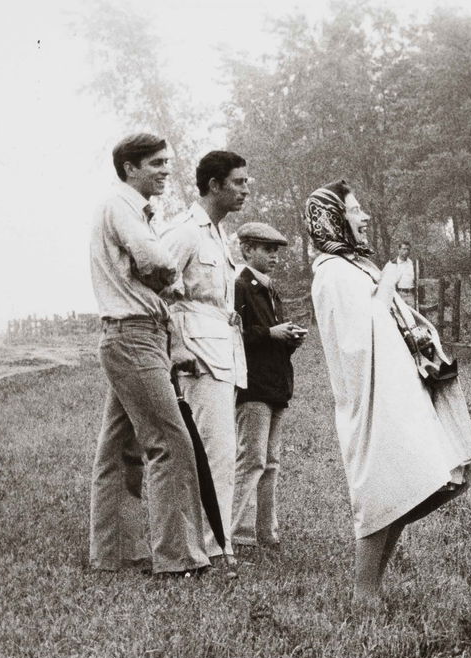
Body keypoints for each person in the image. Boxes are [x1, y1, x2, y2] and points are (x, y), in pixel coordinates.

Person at [307, 179, 471, 607]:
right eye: (355, 210)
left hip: (399, 386)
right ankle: (363, 590)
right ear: (333, 218)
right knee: (382, 486)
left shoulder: (355, 265)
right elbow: (354, 340)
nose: (364, 217)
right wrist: (387, 287)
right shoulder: (332, 274)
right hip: (374, 395)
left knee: (430, 478)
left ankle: (372, 587)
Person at [88, 132, 210, 578]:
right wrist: (174, 281)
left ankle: (116, 554)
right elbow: (155, 261)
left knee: (120, 449)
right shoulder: (122, 205)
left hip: (130, 336)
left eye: (166, 162)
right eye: (155, 163)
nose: (164, 170)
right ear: (129, 168)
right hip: (133, 336)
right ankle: (177, 559)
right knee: (171, 443)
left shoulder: (127, 208)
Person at [162, 149, 250, 577]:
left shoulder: (216, 233)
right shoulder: (185, 231)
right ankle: (215, 549)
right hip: (199, 351)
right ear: (214, 185)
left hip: (222, 346)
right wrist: (177, 346)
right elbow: (156, 291)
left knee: (222, 451)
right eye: (238, 183)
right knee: (211, 452)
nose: (245, 190)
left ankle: (217, 543)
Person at [232, 222, 307, 549]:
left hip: (275, 386)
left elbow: (273, 337)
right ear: (248, 250)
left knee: (270, 462)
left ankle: (265, 534)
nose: (274, 256)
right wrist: (270, 334)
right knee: (251, 462)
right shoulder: (239, 288)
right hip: (253, 388)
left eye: (276, 250)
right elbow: (232, 337)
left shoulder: (270, 290)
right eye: (267, 250)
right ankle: (232, 535)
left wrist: (290, 338)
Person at [385, 241, 417, 306]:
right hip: (399, 294)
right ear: (399, 250)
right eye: (404, 249)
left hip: (411, 295)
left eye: (408, 249)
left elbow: (416, 279)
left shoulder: (412, 263)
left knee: (411, 315)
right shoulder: (393, 263)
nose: (406, 251)